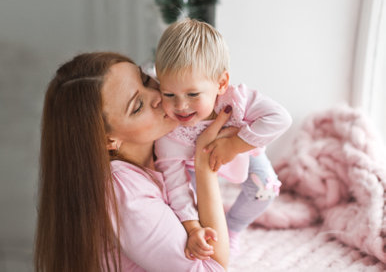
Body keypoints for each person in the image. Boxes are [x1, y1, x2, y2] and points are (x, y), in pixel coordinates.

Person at [34, 52, 232, 272]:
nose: (157, 96)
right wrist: (205, 161)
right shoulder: (124, 191)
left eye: (146, 80)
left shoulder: (161, 152)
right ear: (108, 139)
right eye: (137, 106)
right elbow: (210, 269)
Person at [153, 18, 293, 258]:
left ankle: (234, 228)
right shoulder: (169, 133)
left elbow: (281, 118)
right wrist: (193, 227)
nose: (180, 106)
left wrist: (234, 144)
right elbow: (175, 187)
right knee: (201, 206)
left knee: (265, 190)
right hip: (197, 168)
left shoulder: (237, 100)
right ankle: (218, 232)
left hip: (244, 153)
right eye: (169, 94)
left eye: (192, 94)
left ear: (221, 83)